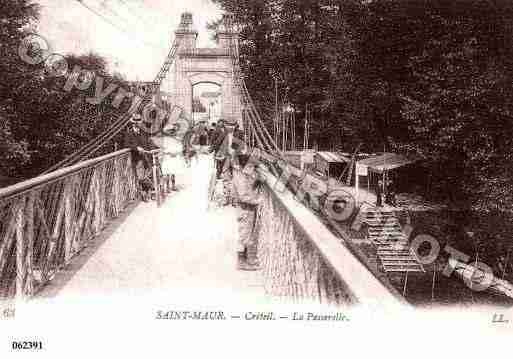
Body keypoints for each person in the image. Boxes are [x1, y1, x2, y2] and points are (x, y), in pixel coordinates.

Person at [232, 153, 264, 271]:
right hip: (245, 210)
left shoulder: (242, 175)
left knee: (247, 235)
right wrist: (258, 201)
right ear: (243, 166)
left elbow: (253, 182)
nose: (252, 169)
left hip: (247, 209)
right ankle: (241, 262)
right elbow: (243, 196)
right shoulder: (240, 178)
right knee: (244, 236)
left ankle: (246, 261)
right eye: (250, 167)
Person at [124, 117, 159, 201]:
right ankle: (154, 187)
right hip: (137, 158)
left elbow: (149, 143)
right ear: (132, 124)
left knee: (148, 174)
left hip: (146, 157)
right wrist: (136, 148)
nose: (137, 124)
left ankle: (147, 194)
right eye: (135, 122)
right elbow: (126, 144)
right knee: (141, 178)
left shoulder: (143, 133)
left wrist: (156, 148)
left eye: (138, 122)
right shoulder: (129, 134)